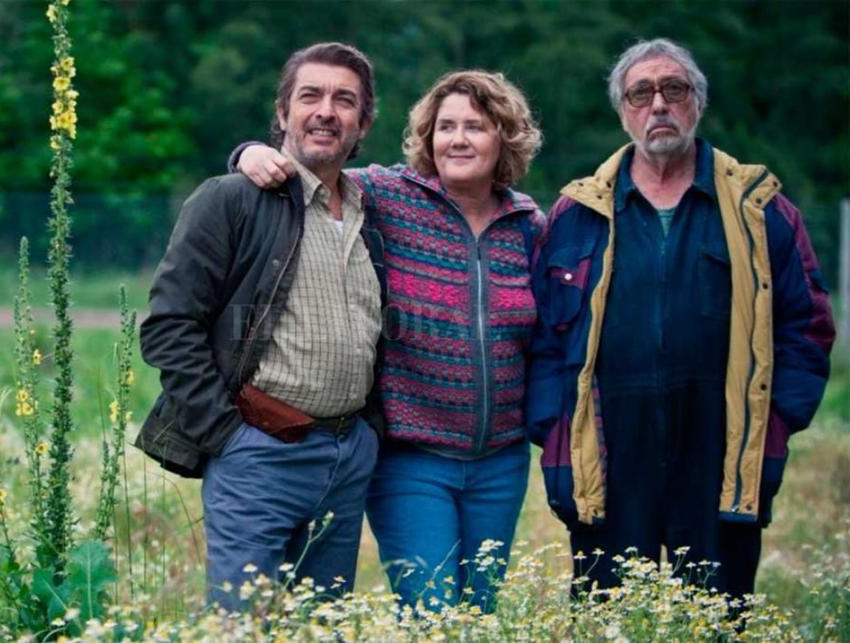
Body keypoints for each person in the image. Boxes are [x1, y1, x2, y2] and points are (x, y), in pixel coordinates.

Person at [527, 38, 835, 600]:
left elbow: (806, 327)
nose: (658, 105)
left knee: (719, 616)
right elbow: (543, 339)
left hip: (721, 446)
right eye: (640, 93)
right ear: (623, 111)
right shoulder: (578, 213)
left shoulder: (759, 209)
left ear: (698, 102)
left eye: (674, 89)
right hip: (609, 449)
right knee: (610, 618)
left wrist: (776, 423)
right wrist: (553, 431)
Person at [233, 70, 545, 612]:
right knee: (430, 611)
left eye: (475, 127)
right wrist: (247, 153)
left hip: (501, 459)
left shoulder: (527, 224)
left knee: (480, 612)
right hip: (411, 456)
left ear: (505, 138)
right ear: (428, 137)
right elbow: (313, 171)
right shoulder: (388, 195)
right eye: (445, 127)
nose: (458, 139)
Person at [136, 42, 387, 611]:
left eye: (344, 100)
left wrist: (367, 437)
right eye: (310, 96)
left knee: (321, 627)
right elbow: (170, 326)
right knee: (240, 623)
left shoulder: (373, 212)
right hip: (258, 451)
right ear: (282, 112)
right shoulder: (232, 199)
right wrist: (228, 437)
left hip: (347, 456)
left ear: (364, 123)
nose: (326, 111)